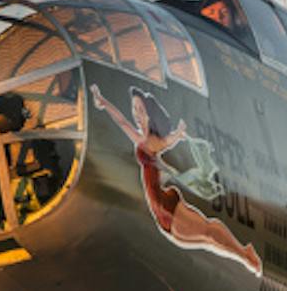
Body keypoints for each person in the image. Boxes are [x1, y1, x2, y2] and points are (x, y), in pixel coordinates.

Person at [90, 83, 262, 275]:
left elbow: (167, 140)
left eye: (140, 109)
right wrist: (103, 102)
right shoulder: (141, 139)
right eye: (134, 109)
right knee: (206, 238)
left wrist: (179, 133)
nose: (136, 114)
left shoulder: (153, 142)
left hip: (164, 201)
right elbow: (121, 121)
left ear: (148, 113)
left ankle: (245, 254)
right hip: (160, 208)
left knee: (208, 232)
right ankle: (244, 254)